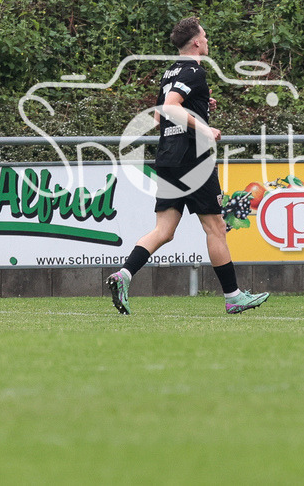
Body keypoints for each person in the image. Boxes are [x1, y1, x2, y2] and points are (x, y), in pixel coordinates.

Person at [106, 17, 269, 315]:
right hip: (193, 158)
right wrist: (205, 128)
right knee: (216, 227)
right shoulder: (194, 70)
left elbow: (160, 117)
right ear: (196, 41)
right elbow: (171, 107)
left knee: (164, 230)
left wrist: (200, 106)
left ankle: (124, 275)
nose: (207, 40)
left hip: (169, 156)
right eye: (204, 36)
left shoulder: (170, 72)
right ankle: (233, 297)